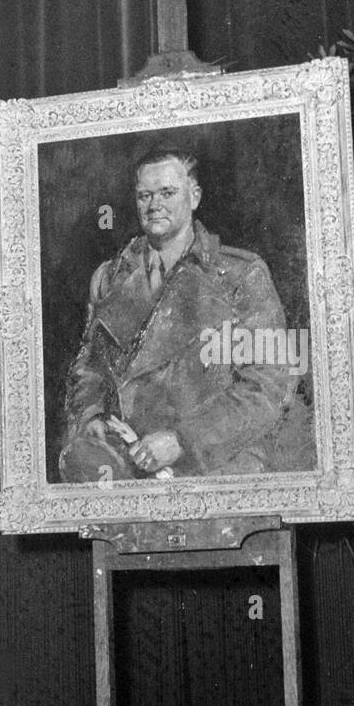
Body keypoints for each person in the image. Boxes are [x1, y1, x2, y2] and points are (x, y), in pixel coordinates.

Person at [58, 147, 312, 482]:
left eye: (167, 193)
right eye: (144, 195)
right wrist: (91, 414)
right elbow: (88, 366)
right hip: (122, 470)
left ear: (194, 197)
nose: (154, 205)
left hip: (213, 470)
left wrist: (183, 440)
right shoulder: (111, 277)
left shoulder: (240, 275)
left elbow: (269, 386)